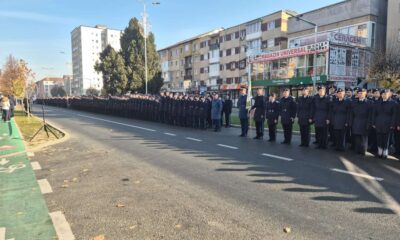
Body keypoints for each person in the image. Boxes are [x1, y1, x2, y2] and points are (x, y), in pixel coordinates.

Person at [348, 88, 373, 155]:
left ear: (365, 94)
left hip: (365, 122)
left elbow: (370, 115)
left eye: (362, 93)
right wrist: (350, 122)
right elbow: (351, 113)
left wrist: (369, 124)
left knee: (363, 138)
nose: (360, 94)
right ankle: (357, 149)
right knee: (356, 137)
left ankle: (363, 150)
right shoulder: (354, 102)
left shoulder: (369, 103)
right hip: (356, 121)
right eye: (359, 93)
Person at [372, 89, 396, 158]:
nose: (384, 95)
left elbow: (394, 115)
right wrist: (373, 122)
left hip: (388, 124)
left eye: (385, 94)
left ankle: (385, 152)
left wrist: (392, 124)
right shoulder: (377, 103)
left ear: (389, 94)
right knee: (379, 138)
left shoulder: (393, 103)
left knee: (386, 139)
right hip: (378, 123)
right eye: (383, 94)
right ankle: (379, 151)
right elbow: (374, 114)